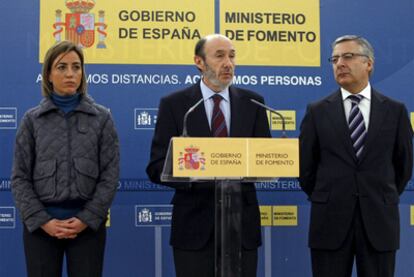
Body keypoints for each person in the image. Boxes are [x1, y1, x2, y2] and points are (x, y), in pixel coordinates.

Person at [146, 34, 271, 277]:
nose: (228, 63)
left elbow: (262, 160)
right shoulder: (175, 104)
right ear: (199, 62)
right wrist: (190, 172)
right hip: (194, 227)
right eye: (219, 56)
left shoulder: (254, 103)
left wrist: (275, 157)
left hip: (241, 227)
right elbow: (156, 166)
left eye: (232, 56)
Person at [299, 35, 413, 277]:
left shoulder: (395, 111)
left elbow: (403, 168)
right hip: (329, 223)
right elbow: (306, 170)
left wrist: (379, 194)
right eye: (335, 58)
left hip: (379, 223)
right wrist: (330, 196)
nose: (340, 63)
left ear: (369, 64)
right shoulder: (317, 111)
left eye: (348, 56)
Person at [11, 41, 120, 277]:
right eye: (61, 67)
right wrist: (42, 221)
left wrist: (86, 218)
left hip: (88, 229)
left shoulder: (102, 118)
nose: (70, 73)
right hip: (41, 229)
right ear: (48, 75)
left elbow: (109, 177)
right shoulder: (32, 121)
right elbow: (20, 178)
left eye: (76, 67)